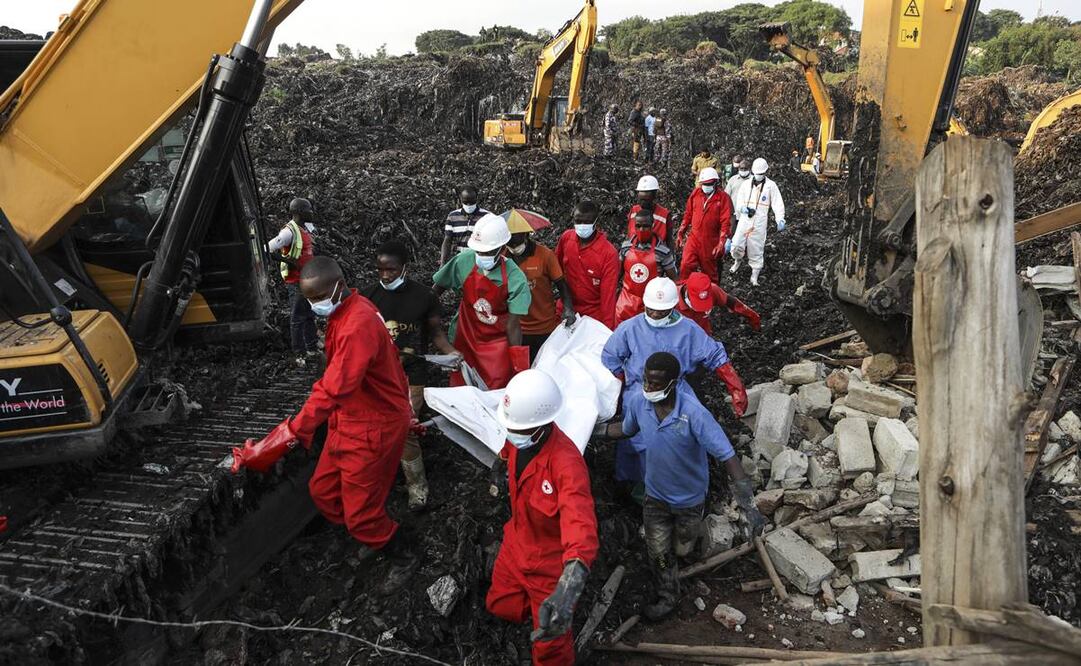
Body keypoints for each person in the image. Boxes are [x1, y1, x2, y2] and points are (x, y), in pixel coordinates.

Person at [231, 257, 418, 593]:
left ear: (338, 286)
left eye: (318, 298)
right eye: (309, 300)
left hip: (372, 425)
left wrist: (288, 434)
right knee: (323, 491)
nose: (314, 306)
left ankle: (400, 552)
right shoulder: (346, 311)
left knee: (362, 515)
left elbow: (334, 388)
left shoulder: (357, 324)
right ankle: (366, 529)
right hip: (349, 418)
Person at [594, 352, 766, 620]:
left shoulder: (693, 414)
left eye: (656, 384)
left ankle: (683, 556)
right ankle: (668, 593)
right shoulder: (640, 403)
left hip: (689, 500)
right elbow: (627, 430)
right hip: (655, 497)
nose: (648, 389)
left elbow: (727, 456)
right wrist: (596, 430)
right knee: (659, 551)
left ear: (674, 383)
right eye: (646, 382)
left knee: (684, 545)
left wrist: (748, 503)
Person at [486, 370, 598, 665]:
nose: (513, 434)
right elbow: (508, 450)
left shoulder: (566, 465)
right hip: (516, 543)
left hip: (548, 564)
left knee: (550, 642)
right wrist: (499, 465)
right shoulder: (519, 436)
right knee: (500, 605)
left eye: (518, 430)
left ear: (541, 426)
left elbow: (580, 527)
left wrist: (567, 589)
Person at [602, 277, 748, 486]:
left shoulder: (688, 329)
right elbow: (610, 357)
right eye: (650, 309)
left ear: (671, 308)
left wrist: (736, 388)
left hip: (676, 389)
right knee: (635, 437)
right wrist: (622, 384)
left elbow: (715, 356)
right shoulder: (630, 328)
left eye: (660, 311)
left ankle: (687, 479)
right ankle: (633, 483)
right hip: (639, 389)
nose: (653, 314)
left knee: (689, 431)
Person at [360, 240, 462, 511]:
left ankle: (417, 486)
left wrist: (451, 353)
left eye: (391, 270)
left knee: (406, 426)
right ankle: (380, 480)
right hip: (378, 377)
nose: (385, 275)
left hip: (412, 373)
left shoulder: (423, 297)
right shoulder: (367, 298)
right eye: (380, 269)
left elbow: (436, 334)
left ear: (404, 268)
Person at [432, 213, 531, 389]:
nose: (482, 255)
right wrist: (430, 322)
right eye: (479, 251)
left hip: (496, 344)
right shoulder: (464, 261)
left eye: (488, 252)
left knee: (495, 388)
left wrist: (517, 361)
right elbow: (437, 289)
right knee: (461, 388)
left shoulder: (515, 278)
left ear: (502, 249)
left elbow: (513, 325)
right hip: (465, 335)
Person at [506, 230, 576, 360]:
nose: (514, 248)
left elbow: (561, 284)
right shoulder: (503, 257)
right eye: (510, 244)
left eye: (517, 243)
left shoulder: (545, 255)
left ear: (526, 235)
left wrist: (568, 308)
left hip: (545, 327)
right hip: (516, 329)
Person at [266, 197, 319, 366]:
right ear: (299, 213)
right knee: (297, 317)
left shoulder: (304, 229)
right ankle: (299, 354)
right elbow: (269, 248)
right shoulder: (289, 232)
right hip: (296, 282)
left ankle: (311, 349)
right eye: (308, 210)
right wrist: (291, 262)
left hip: (309, 280)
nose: (311, 213)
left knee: (310, 315)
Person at [555, 200, 619, 331]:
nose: (582, 225)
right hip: (566, 311)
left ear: (596, 222)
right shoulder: (566, 239)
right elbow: (556, 272)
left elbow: (608, 298)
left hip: (593, 318)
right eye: (578, 221)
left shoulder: (608, 253)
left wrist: (606, 331)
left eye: (587, 222)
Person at [730, 158, 786, 287]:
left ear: (766, 172)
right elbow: (739, 201)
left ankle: (754, 277)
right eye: (756, 173)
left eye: (761, 173)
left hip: (759, 222)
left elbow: (777, 203)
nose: (758, 175)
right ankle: (737, 261)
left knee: (756, 249)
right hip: (745, 220)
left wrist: (780, 219)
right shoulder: (746, 184)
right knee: (737, 245)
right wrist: (743, 208)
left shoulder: (771, 186)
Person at [616, 211, 678, 325]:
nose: (641, 230)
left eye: (645, 226)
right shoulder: (626, 247)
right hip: (626, 302)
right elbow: (617, 275)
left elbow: (674, 280)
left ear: (652, 225)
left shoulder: (662, 252)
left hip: (651, 305)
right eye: (638, 226)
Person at [676, 167, 733, 281]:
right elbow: (688, 214)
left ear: (715, 183)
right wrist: (681, 232)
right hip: (694, 238)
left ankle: (712, 295)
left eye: (709, 184)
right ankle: (684, 292)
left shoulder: (723, 198)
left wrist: (721, 242)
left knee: (710, 272)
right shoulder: (696, 193)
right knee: (686, 265)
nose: (706, 186)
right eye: (704, 184)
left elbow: (725, 222)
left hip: (710, 241)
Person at [676, 271, 761, 335]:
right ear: (687, 291)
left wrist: (752, 316)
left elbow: (732, 303)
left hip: (704, 334)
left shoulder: (713, 290)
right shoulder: (671, 302)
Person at [441, 185, 491, 266]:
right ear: (460, 199)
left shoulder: (486, 216)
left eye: (471, 202)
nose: (468, 205)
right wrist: (442, 263)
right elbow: (447, 240)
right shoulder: (452, 216)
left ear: (476, 198)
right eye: (465, 202)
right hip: (459, 260)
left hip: (479, 261)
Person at [624, 175, 672, 246]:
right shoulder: (633, 211)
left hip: (657, 253)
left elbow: (669, 241)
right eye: (641, 200)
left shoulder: (664, 215)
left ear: (654, 196)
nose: (642, 203)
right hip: (634, 253)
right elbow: (629, 234)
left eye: (646, 200)